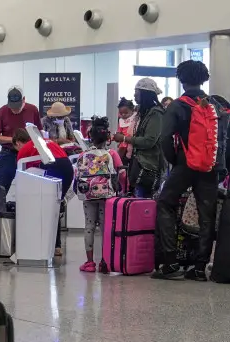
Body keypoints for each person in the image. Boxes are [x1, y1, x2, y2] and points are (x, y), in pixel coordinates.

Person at [153, 60, 218, 281]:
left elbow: (165, 138)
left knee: (165, 203)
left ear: (181, 80)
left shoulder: (178, 105)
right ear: (203, 78)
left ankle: (170, 262)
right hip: (209, 166)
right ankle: (200, 267)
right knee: (206, 214)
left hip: (184, 164)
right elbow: (222, 138)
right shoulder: (213, 105)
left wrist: (175, 160)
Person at [13, 126, 74, 257]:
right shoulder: (45, 141)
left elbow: (21, 174)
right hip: (67, 168)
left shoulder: (24, 149)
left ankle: (45, 243)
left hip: (54, 167)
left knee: (47, 208)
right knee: (55, 207)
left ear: (17, 142)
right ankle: (56, 245)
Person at [73, 117, 123, 273]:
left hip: (88, 195)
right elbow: (121, 173)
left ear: (91, 137)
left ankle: (89, 263)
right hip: (106, 196)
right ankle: (104, 261)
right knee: (104, 227)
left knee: (89, 227)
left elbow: (76, 175)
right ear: (107, 138)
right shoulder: (112, 154)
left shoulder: (83, 155)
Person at [0, 86, 41, 204]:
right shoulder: (3, 111)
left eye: (17, 107)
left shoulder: (33, 110)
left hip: (29, 154)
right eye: (12, 107)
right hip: (8, 153)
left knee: (31, 186)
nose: (14, 110)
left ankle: (29, 210)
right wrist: (13, 140)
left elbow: (39, 133)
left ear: (23, 99)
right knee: (2, 187)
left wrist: (27, 143)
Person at [118, 78, 164, 198]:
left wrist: (124, 139)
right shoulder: (143, 113)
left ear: (145, 94)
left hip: (149, 167)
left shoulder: (156, 114)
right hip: (140, 164)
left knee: (143, 204)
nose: (134, 95)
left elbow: (149, 141)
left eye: (136, 92)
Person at [116, 97, 137, 167]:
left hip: (131, 140)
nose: (123, 115)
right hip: (123, 141)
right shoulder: (121, 121)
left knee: (129, 150)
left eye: (126, 113)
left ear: (132, 110)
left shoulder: (135, 118)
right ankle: (120, 163)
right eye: (121, 113)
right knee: (121, 151)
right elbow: (119, 131)